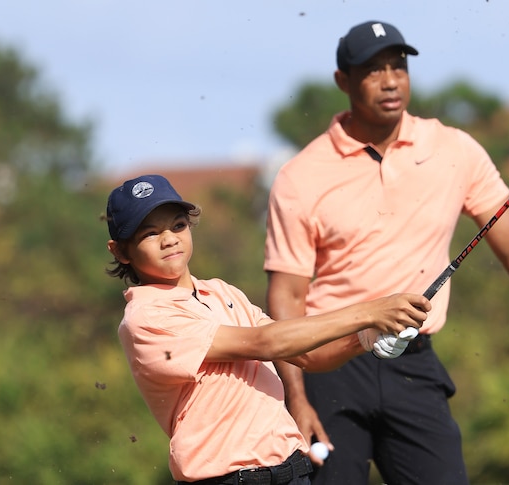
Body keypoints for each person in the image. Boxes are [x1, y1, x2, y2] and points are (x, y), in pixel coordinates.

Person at [263, 20, 509, 485]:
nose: (390, 80)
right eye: (372, 70)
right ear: (343, 81)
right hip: (331, 366)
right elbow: (287, 299)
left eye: (398, 66)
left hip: (413, 361)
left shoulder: (454, 150)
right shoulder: (301, 175)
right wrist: (297, 396)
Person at [104, 174, 431, 484]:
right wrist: (370, 312)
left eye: (177, 225)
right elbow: (266, 342)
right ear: (120, 250)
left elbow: (305, 354)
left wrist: (364, 338)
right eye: (149, 233)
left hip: (292, 470)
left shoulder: (221, 292)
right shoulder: (146, 317)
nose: (169, 239)